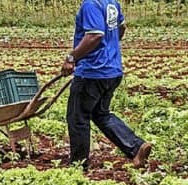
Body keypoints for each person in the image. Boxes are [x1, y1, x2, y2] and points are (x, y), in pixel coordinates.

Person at [61, 0, 151, 169]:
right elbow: (121, 28)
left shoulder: (90, 4)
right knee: (100, 113)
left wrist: (72, 58)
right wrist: (108, 49)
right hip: (112, 70)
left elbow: (95, 35)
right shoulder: (111, 3)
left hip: (93, 71)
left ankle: (78, 164)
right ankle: (136, 146)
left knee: (77, 117)